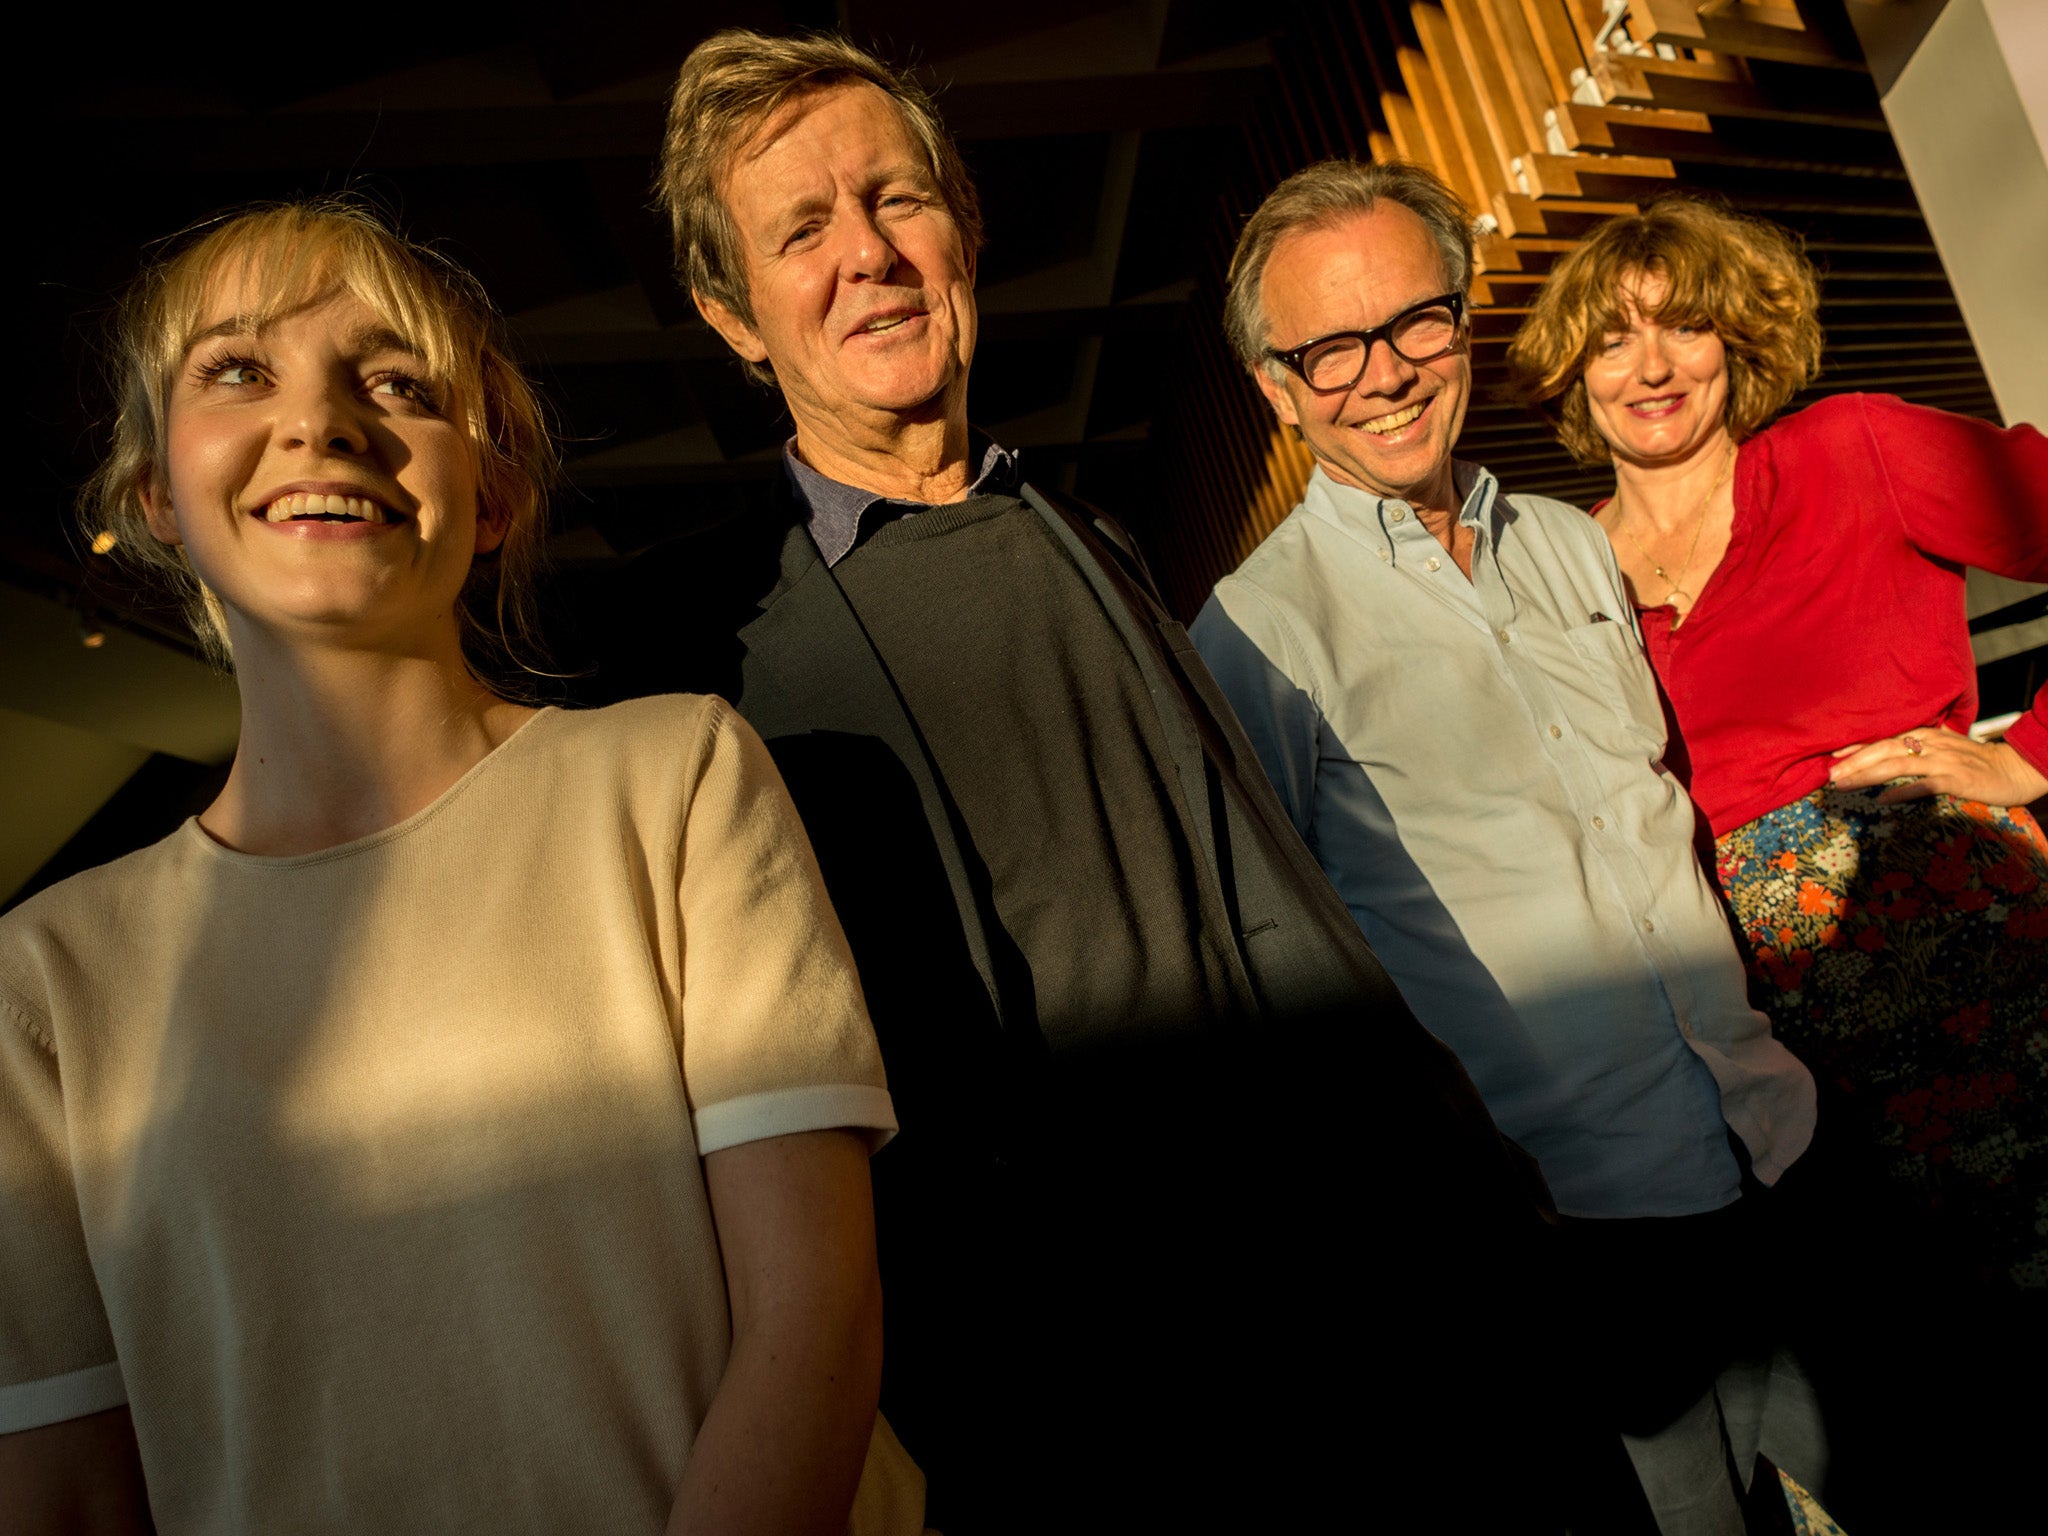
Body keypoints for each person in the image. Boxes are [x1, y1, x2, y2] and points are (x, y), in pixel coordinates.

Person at [588, 31, 1564, 1533]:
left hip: (1355, 1330)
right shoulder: (695, 652)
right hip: (1070, 1406)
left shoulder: (1089, 537)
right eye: (802, 231)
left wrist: (1475, 1200)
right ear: (732, 317)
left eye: (896, 200)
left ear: (964, 230)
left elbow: (1272, 901)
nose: (870, 256)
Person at [0, 200, 922, 1535]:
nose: (320, 423)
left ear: (489, 496)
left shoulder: (673, 784)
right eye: (239, 370)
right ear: (157, 490)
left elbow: (815, 1318)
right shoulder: (42, 983)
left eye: (397, 381)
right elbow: (67, 1490)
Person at [1189, 159, 1824, 1534]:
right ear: (1278, 388)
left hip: (1776, 1149)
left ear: (1465, 321)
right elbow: (1288, 978)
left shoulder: (1567, 546)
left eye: (1417, 320)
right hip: (1576, 1238)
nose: (1390, 373)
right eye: (1334, 347)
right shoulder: (1254, 639)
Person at [1504, 195, 2048, 1294]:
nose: (1649, 366)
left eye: (1683, 325)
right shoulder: (1554, 578)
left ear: (1736, 342)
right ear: (1569, 369)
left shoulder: (1853, 448)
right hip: (1755, 1037)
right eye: (1611, 339)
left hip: (1972, 954)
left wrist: (2031, 754)